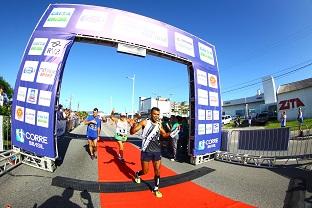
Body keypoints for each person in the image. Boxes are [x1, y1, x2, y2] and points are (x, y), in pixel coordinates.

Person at [130, 107, 171, 198]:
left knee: (157, 170)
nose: (156, 116)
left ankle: (156, 188)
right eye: (154, 114)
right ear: (151, 114)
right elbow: (132, 132)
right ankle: (137, 174)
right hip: (146, 151)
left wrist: (171, 133)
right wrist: (133, 125)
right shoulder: (145, 122)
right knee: (145, 171)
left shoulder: (159, 124)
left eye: (158, 114)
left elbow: (164, 134)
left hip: (156, 151)